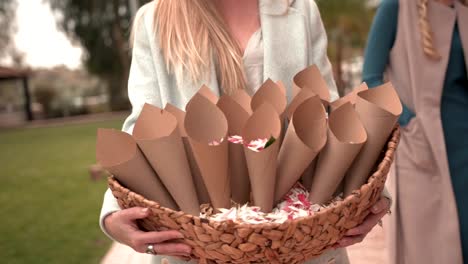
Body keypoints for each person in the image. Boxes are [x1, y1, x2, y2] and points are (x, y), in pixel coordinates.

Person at [100, 0, 390, 263]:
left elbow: (327, 115)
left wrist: (367, 197)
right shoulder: (155, 20)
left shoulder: (300, 9)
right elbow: (145, 127)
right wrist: (114, 215)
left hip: (304, 241)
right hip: (201, 246)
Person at [363, 0, 468, 263]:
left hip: (463, 142)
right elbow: (371, 78)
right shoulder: (397, 6)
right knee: (428, 246)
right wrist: (407, 121)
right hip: (422, 146)